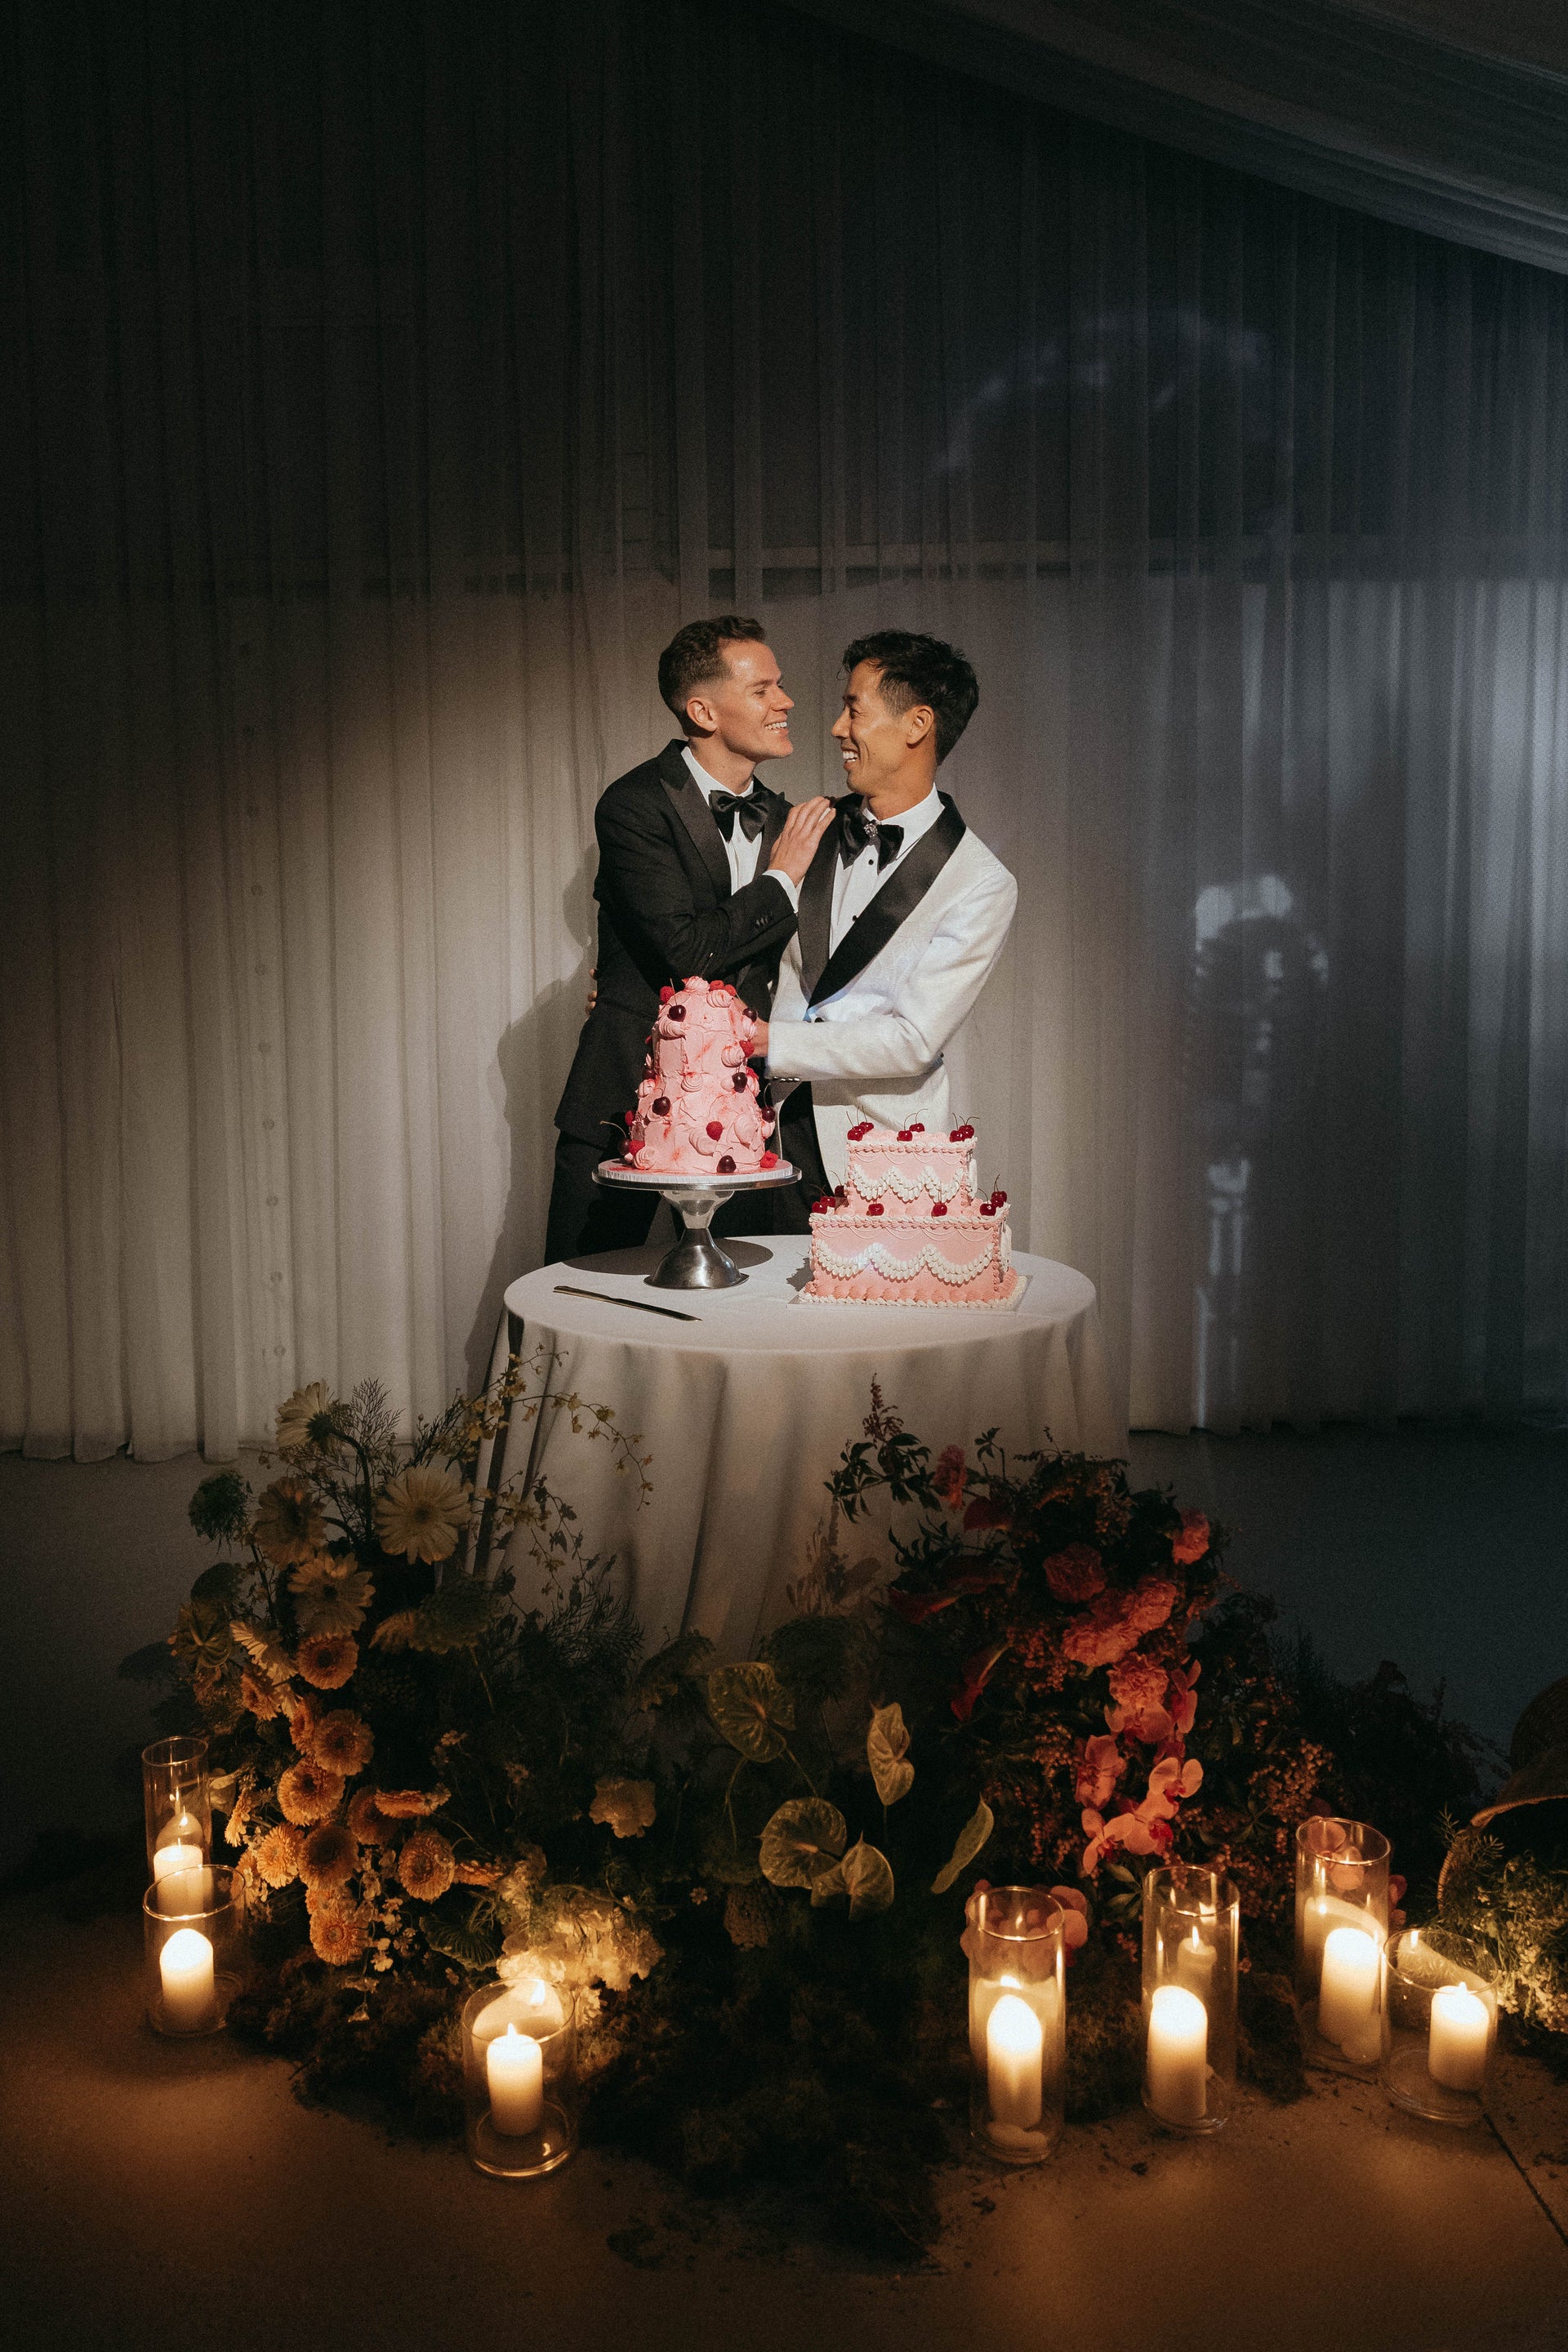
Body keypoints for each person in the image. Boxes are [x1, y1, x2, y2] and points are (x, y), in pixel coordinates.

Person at [545, 617, 835, 1261]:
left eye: (779, 686)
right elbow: (687, 952)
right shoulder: (633, 805)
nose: (785, 701)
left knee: (759, 1308)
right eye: (763, 689)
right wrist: (782, 878)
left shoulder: (792, 823)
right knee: (580, 1296)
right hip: (624, 1094)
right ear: (703, 709)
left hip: (747, 1109)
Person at [754, 630, 1016, 1221]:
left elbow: (914, 1039)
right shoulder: (804, 828)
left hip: (874, 1153)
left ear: (917, 725)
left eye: (854, 708)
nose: (837, 729)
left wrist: (776, 1044)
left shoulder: (981, 881)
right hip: (756, 1136)